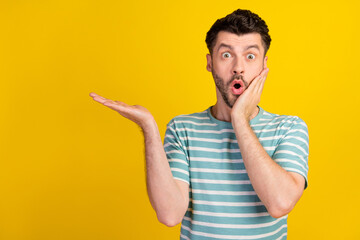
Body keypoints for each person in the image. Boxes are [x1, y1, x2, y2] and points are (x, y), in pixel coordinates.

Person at [89, 9, 309, 240]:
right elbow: (170, 214)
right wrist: (148, 127)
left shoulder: (289, 128)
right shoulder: (182, 129)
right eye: (226, 55)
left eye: (250, 56)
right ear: (210, 62)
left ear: (264, 66)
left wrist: (239, 120)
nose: (238, 67)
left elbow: (280, 203)